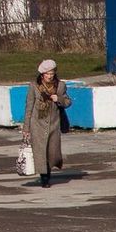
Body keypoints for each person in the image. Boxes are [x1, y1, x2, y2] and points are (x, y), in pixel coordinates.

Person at [22, 59, 71, 187]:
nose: (50, 76)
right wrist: (26, 128)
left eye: (52, 73)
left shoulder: (60, 86)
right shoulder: (33, 86)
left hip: (54, 124)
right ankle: (45, 178)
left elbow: (67, 102)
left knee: (52, 152)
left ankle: (48, 171)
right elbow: (29, 107)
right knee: (40, 152)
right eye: (47, 73)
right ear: (42, 74)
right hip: (37, 124)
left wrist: (58, 99)